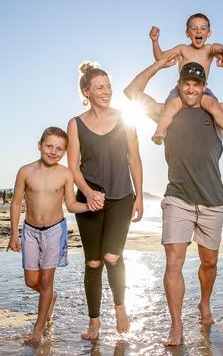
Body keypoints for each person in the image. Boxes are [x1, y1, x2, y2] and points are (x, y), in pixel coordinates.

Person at [124, 52, 223, 346]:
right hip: (178, 198)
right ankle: (177, 326)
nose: (191, 90)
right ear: (179, 84)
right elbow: (132, 92)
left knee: (209, 263)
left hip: (212, 200)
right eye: (186, 84)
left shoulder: (218, 111)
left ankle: (204, 302)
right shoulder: (165, 111)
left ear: (204, 86)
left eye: (197, 85)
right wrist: (159, 63)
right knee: (173, 263)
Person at [67, 62, 144, 341]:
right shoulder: (75, 124)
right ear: (86, 91)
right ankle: (94, 323)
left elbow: (134, 159)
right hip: (90, 200)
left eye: (109, 86)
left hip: (122, 196)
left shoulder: (126, 119)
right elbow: (73, 166)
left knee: (113, 256)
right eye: (100, 87)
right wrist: (87, 192)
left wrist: (139, 197)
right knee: (94, 263)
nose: (107, 91)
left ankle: (120, 308)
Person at [7, 126, 98, 343]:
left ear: (65, 152)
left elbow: (72, 204)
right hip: (30, 231)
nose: (53, 151)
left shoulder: (66, 174)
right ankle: (50, 297)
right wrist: (13, 234)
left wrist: (89, 206)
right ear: (39, 145)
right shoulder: (25, 171)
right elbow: (16, 202)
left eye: (59, 149)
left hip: (55, 231)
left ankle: (38, 330)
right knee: (32, 281)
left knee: (47, 280)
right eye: (49, 146)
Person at [149, 13, 223, 147]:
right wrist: (155, 41)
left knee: (213, 105)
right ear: (187, 33)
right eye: (194, 28)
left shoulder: (209, 49)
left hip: (202, 91)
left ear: (209, 33)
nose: (198, 31)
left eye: (203, 28)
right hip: (182, 90)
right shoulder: (182, 49)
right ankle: (160, 132)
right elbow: (160, 57)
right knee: (171, 107)